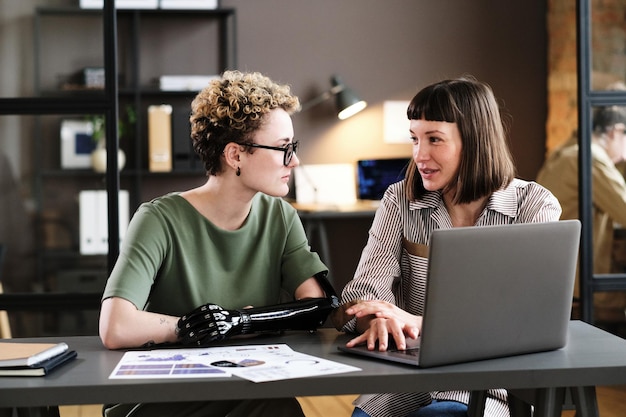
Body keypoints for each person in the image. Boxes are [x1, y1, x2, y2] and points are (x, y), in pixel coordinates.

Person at [99, 70, 338, 417]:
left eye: (293, 148)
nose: (295, 161)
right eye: (284, 149)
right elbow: (115, 326)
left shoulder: (280, 217)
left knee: (278, 407)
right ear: (235, 155)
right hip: (165, 394)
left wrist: (238, 321)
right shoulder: (158, 219)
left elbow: (317, 304)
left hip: (245, 381)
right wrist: (188, 326)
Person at [337, 76, 562, 417]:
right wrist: (377, 319)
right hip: (401, 381)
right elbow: (365, 292)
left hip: (490, 387)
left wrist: (414, 321)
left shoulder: (534, 206)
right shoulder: (399, 199)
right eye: (415, 139)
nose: (419, 155)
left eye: (434, 140)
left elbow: (521, 320)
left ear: (474, 141)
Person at [536, 105, 626, 324]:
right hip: (580, 280)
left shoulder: (567, 150)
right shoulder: (590, 158)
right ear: (615, 132)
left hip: (556, 274)